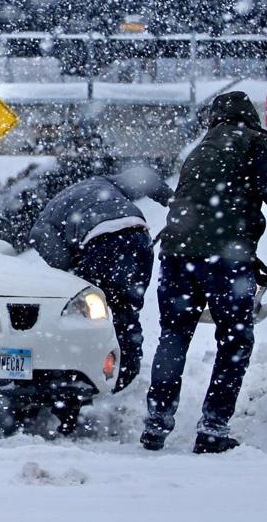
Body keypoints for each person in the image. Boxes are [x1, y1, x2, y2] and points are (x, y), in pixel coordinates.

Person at [141, 91, 267, 454]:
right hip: (225, 259)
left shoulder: (201, 149)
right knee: (235, 340)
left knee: (174, 335)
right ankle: (213, 428)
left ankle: (156, 423)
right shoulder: (254, 141)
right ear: (249, 116)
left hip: (176, 255)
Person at [28, 164, 173, 392]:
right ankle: (127, 369)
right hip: (138, 234)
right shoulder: (102, 181)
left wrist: (78, 272)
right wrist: (173, 202)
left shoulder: (46, 218)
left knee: (92, 314)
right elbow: (144, 177)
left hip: (98, 244)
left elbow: (60, 260)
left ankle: (105, 375)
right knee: (127, 308)